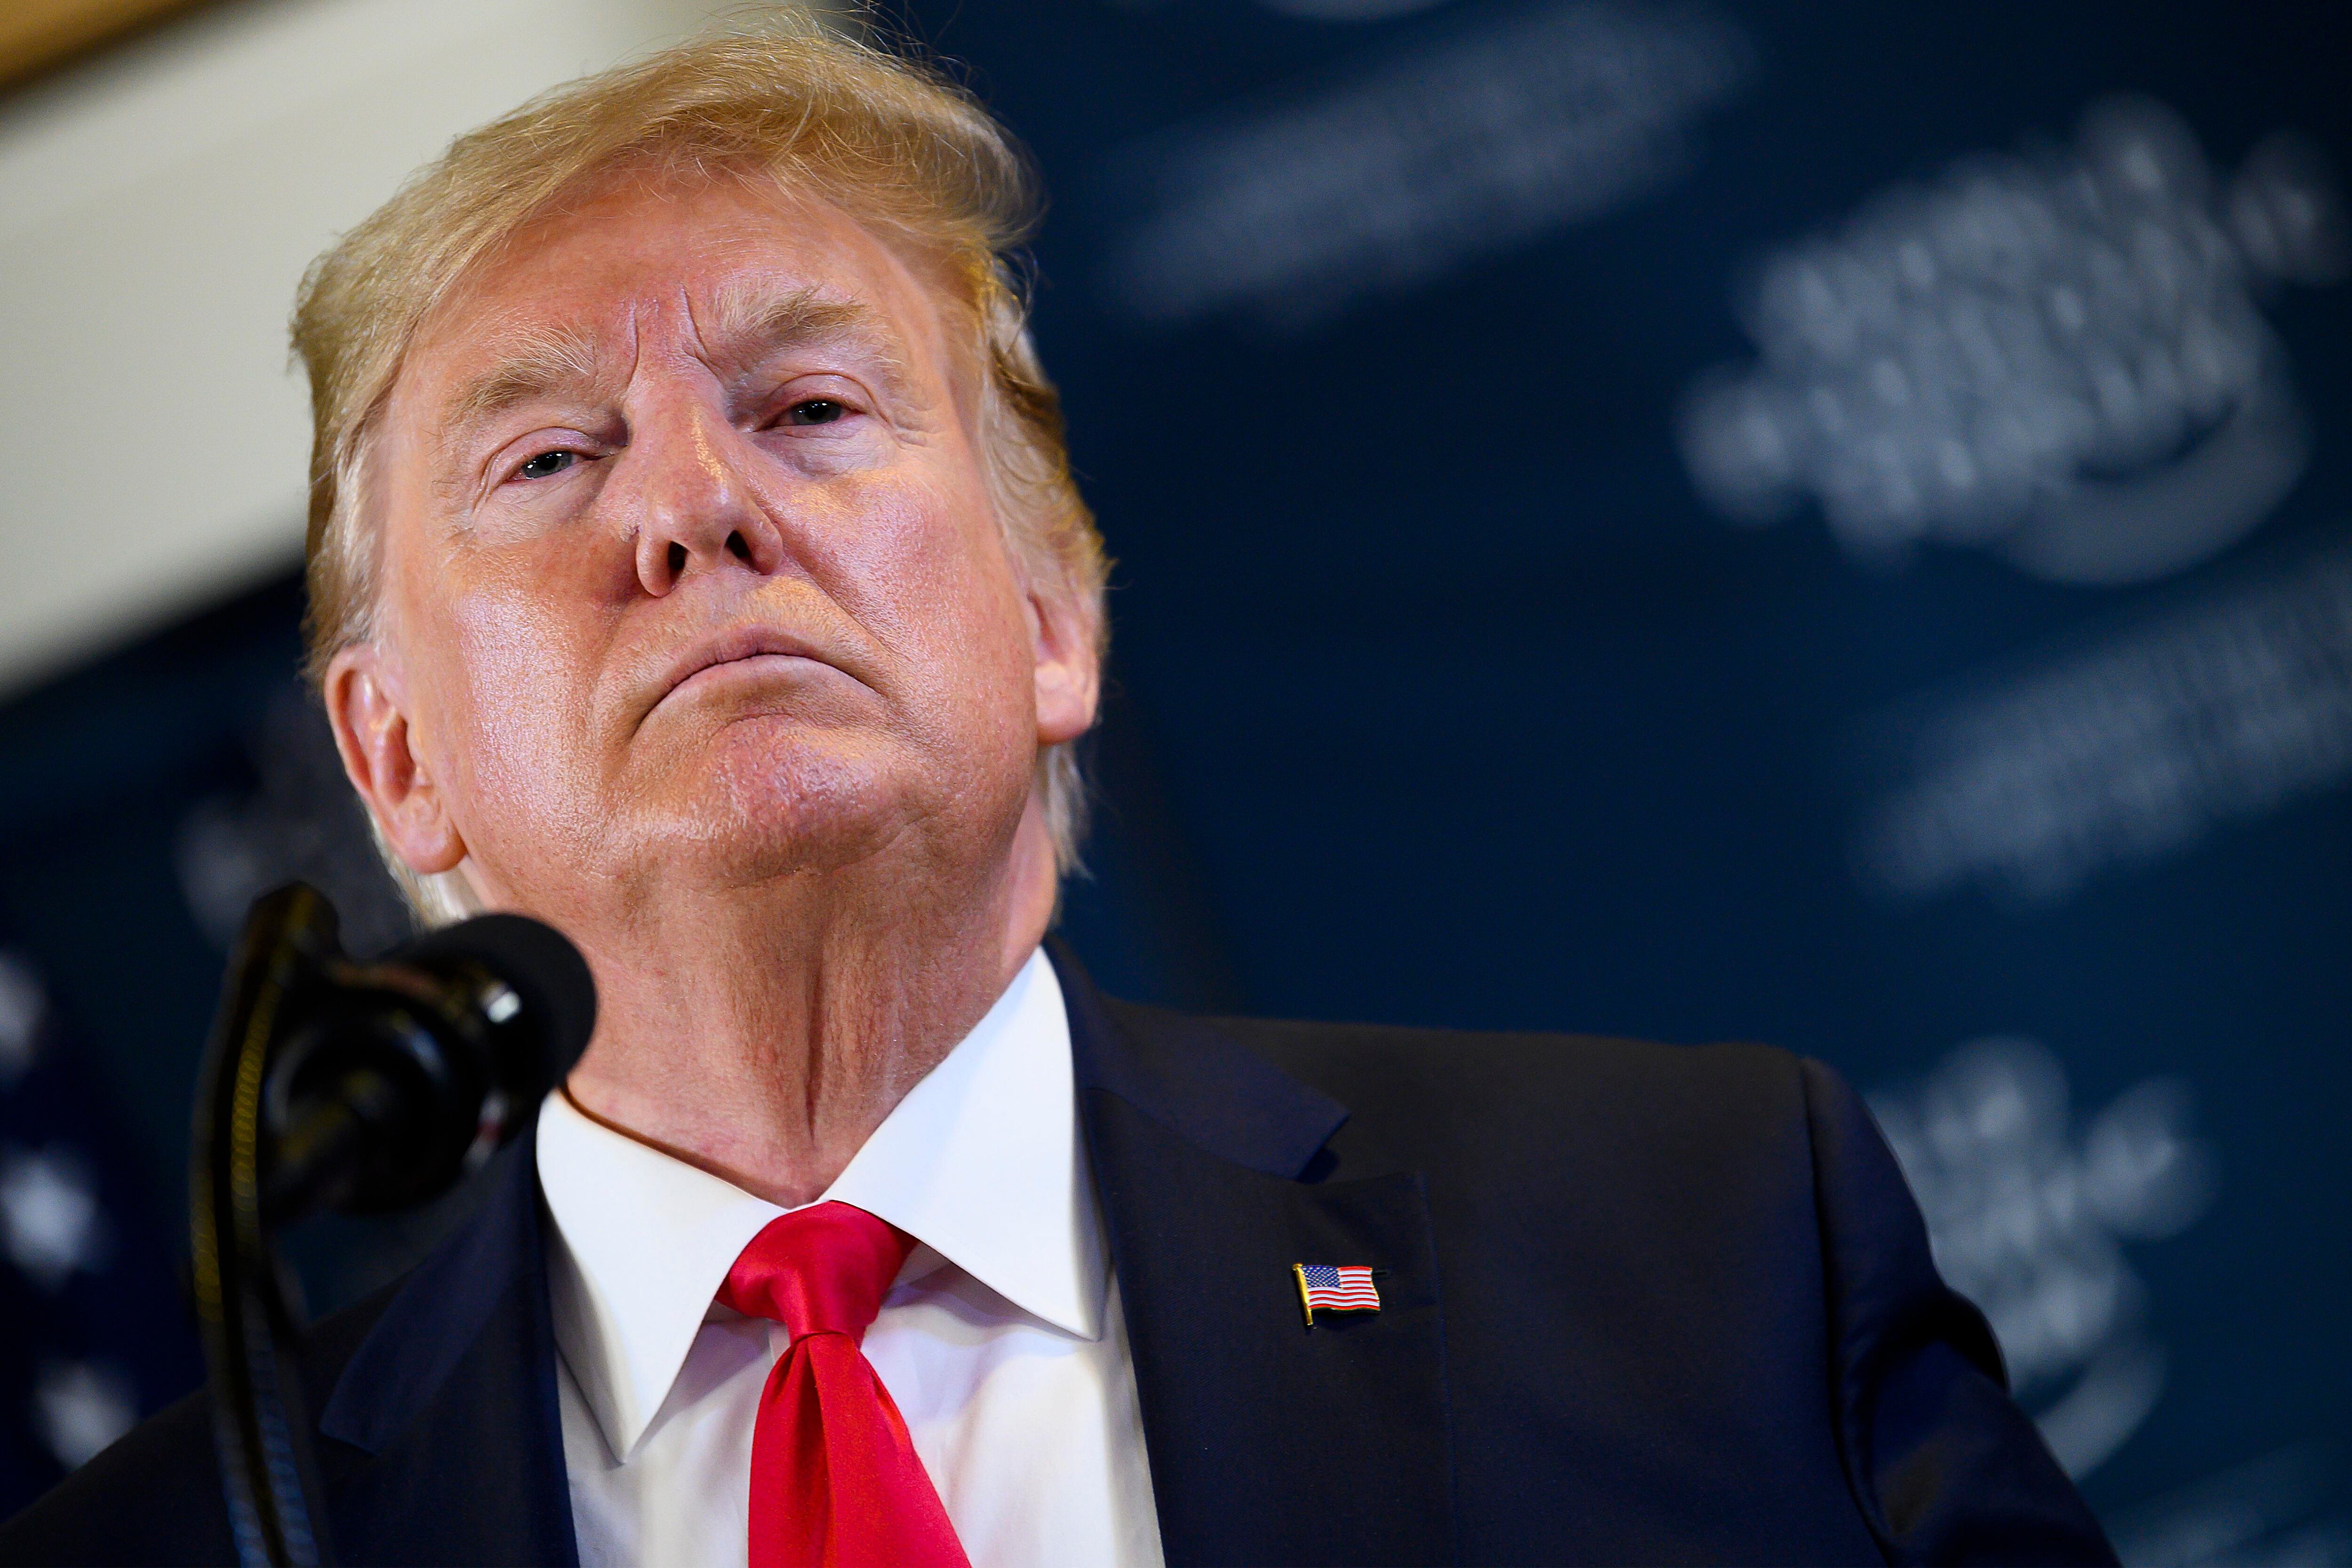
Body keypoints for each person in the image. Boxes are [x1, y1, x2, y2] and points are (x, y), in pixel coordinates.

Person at [0, 21, 2114, 1568]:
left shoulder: (1701, 1237)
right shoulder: (174, 1558)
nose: (692, 510)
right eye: (547, 461)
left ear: (1046, 622)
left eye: (807, 405)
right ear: (392, 759)